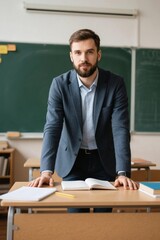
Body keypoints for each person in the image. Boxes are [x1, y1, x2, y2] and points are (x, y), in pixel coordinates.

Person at [29, 29, 138, 212]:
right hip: (73, 161)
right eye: (78, 53)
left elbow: (120, 128)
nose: (84, 58)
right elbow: (53, 127)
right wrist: (46, 171)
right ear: (71, 56)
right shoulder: (59, 85)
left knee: (104, 222)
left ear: (98, 54)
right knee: (77, 220)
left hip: (104, 161)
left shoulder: (115, 84)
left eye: (89, 52)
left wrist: (122, 172)